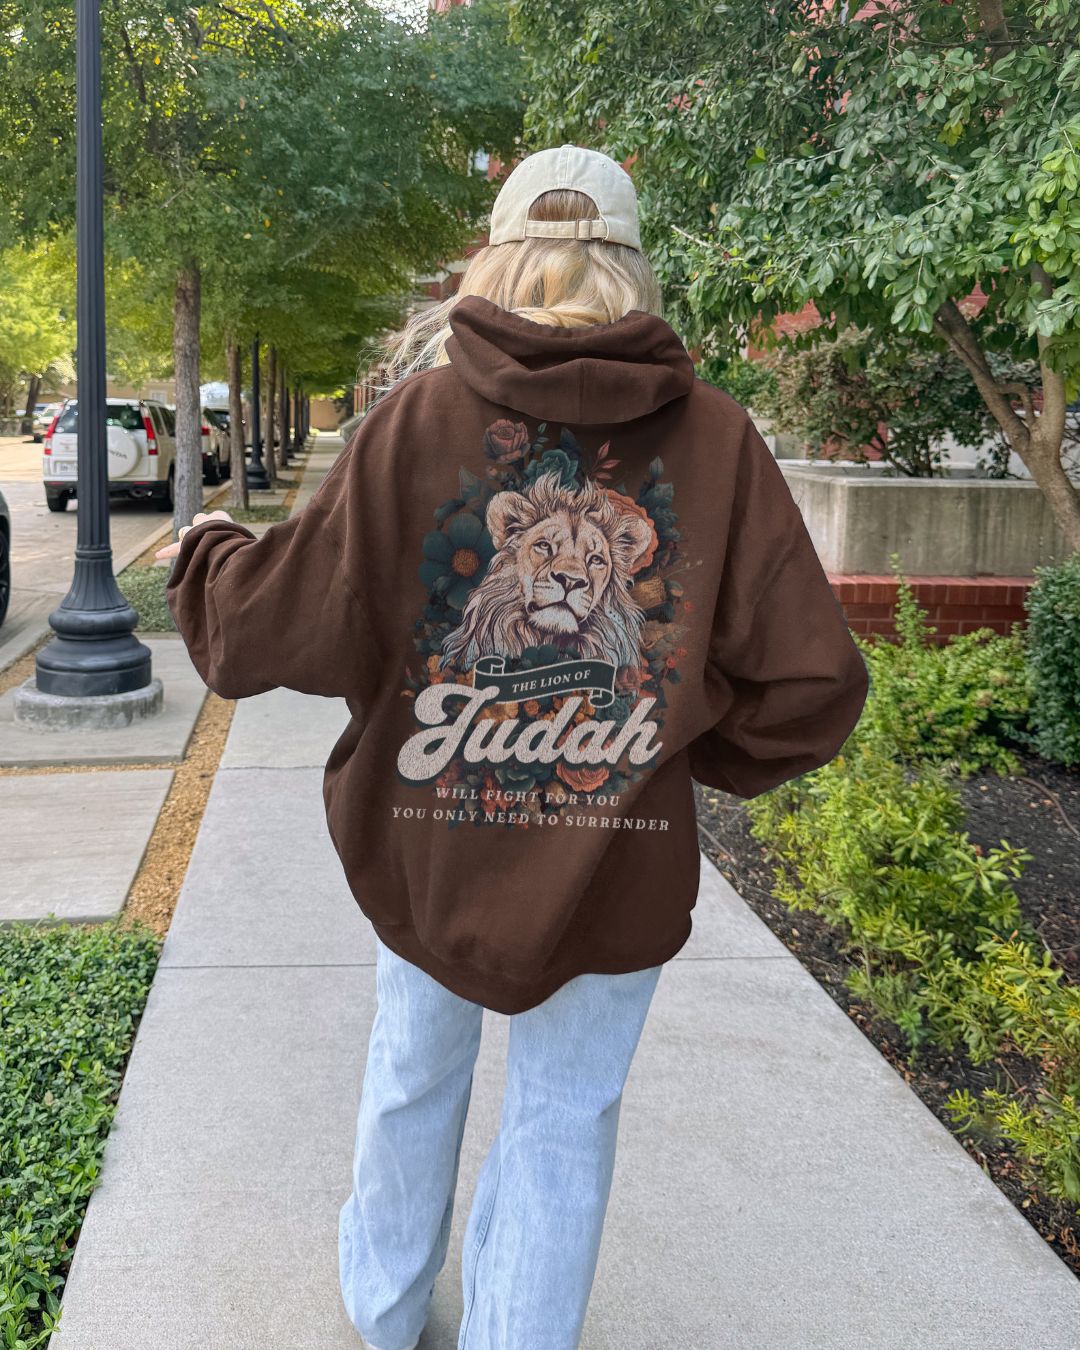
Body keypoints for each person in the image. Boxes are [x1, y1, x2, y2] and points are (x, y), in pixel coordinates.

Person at [160, 144, 869, 1350]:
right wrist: (672, 740)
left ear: (494, 257)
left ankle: (382, 1315)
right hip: (616, 858)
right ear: (635, 269)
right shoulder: (720, 437)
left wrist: (212, 549)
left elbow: (274, 626)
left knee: (410, 1074)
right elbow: (809, 681)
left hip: (433, 849)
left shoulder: (415, 419)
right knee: (566, 1120)